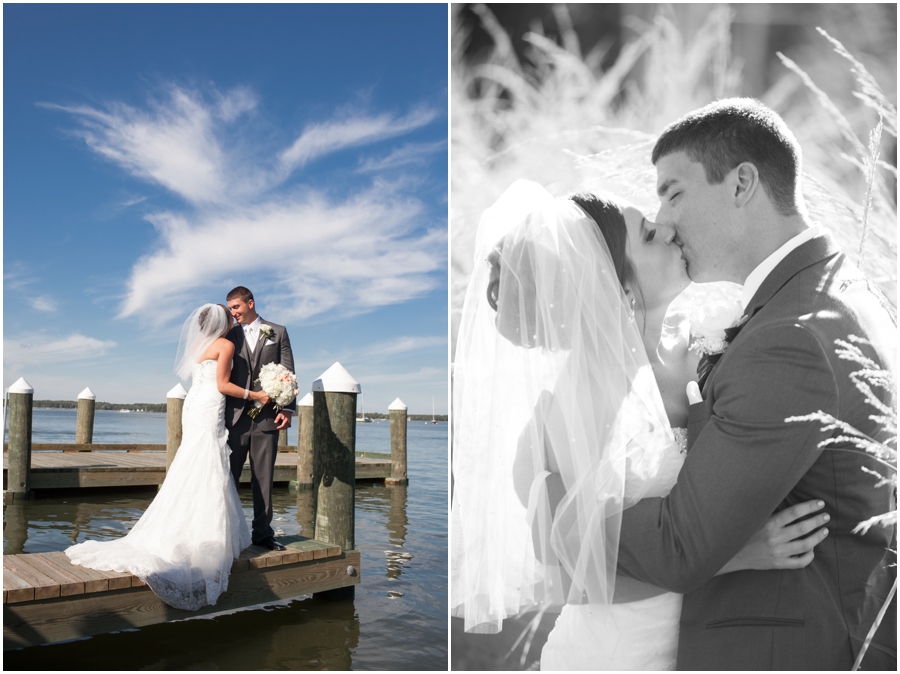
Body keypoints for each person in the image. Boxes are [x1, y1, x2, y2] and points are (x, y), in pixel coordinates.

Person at [450, 180, 828, 669]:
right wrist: (733, 555)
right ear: (620, 288)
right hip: (621, 653)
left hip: (710, 638)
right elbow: (573, 580)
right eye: (649, 236)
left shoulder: (707, 342)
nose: (669, 230)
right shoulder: (579, 404)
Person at [615, 98, 896, 670]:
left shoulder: (790, 334)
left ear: (742, 182)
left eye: (674, 192)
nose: (663, 219)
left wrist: (559, 516)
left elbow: (679, 548)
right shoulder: (832, 287)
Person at [67, 304, 263, 610]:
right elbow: (223, 384)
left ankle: (189, 525)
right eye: (230, 316)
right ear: (223, 322)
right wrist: (256, 395)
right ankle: (203, 535)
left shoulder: (200, 345)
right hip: (210, 404)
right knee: (208, 463)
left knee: (193, 461)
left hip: (194, 405)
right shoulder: (225, 344)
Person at [225, 286, 295, 551]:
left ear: (250, 303)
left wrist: (287, 409)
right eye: (231, 309)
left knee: (263, 478)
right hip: (234, 418)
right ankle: (227, 533)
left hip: (266, 418)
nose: (233, 313)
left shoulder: (278, 332)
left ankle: (263, 534)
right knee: (228, 477)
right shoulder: (228, 334)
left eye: (237, 307)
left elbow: (288, 371)